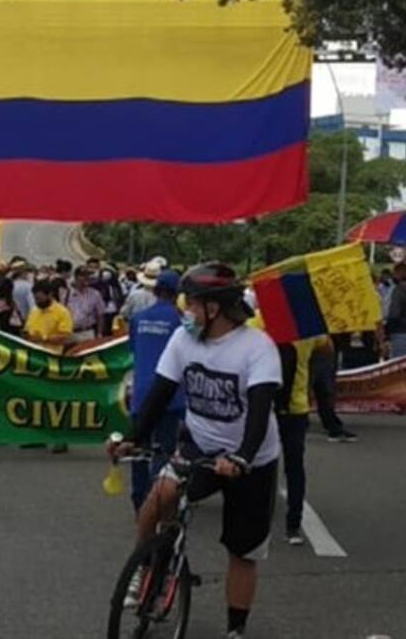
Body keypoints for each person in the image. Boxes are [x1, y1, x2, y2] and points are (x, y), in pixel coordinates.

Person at [110, 263, 281, 639]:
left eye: (191, 305)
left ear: (214, 308)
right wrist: (132, 438)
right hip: (199, 443)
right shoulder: (183, 340)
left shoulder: (257, 347)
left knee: (242, 550)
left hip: (250, 459)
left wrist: (242, 458)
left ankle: (235, 629)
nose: (185, 312)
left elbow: (259, 409)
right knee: (157, 498)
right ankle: (148, 565)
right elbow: (160, 392)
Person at [126, 270, 185, 511]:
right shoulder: (181, 322)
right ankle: (158, 499)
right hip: (170, 396)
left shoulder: (138, 319)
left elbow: (133, 350)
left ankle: (140, 500)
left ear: (156, 290)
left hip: (141, 395)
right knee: (164, 449)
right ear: (177, 293)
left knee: (139, 449)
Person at [276, 334, 334, 544]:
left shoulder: (257, 326)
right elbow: (328, 346)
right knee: (295, 467)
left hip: (266, 407)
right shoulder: (306, 332)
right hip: (296, 407)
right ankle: (293, 526)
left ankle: (254, 518)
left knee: (260, 464)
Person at [24, 279, 74, 348]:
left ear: (50, 295)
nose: (37, 302)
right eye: (35, 299)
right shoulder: (34, 310)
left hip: (50, 355)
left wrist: (43, 338)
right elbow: (28, 330)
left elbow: (65, 338)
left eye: (40, 299)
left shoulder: (62, 312)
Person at [67, 267, 105, 341]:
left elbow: (100, 315)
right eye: (83, 276)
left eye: (88, 276)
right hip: (70, 333)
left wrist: (99, 333)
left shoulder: (95, 294)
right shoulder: (67, 293)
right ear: (76, 277)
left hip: (87, 333)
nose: (86, 278)